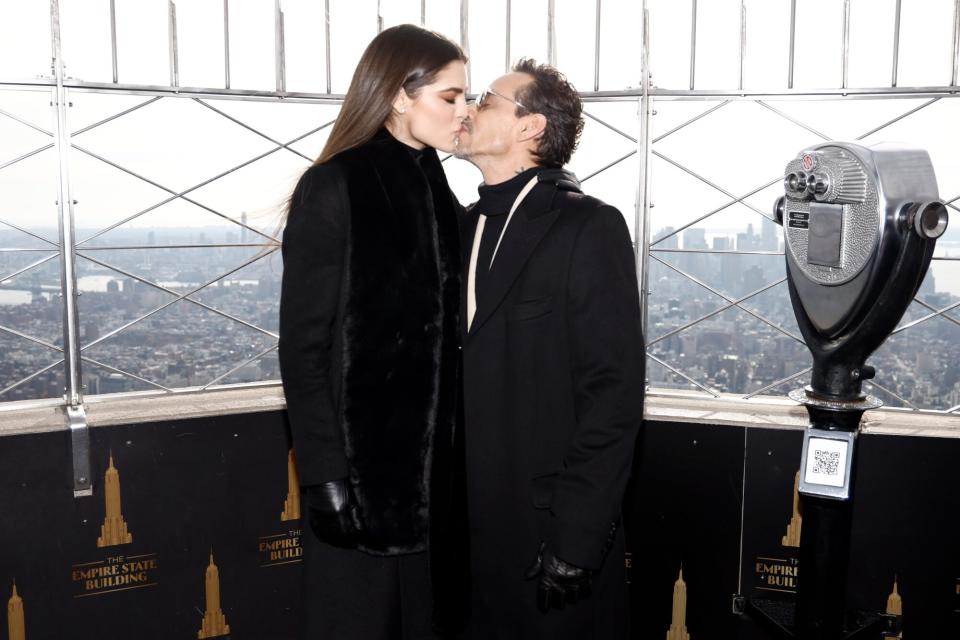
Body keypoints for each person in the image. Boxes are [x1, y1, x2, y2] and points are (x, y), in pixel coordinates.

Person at [278, 24, 470, 640]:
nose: (464, 111)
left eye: (466, 97)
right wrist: (325, 475)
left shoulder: (437, 188)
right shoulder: (334, 186)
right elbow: (302, 350)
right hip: (358, 485)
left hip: (433, 491)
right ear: (397, 95)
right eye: (450, 97)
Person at [452, 58, 645, 639]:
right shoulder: (458, 227)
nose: (467, 108)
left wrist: (577, 539)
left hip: (549, 542)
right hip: (464, 548)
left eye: (485, 99)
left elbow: (612, 397)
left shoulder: (589, 227)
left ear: (529, 128)